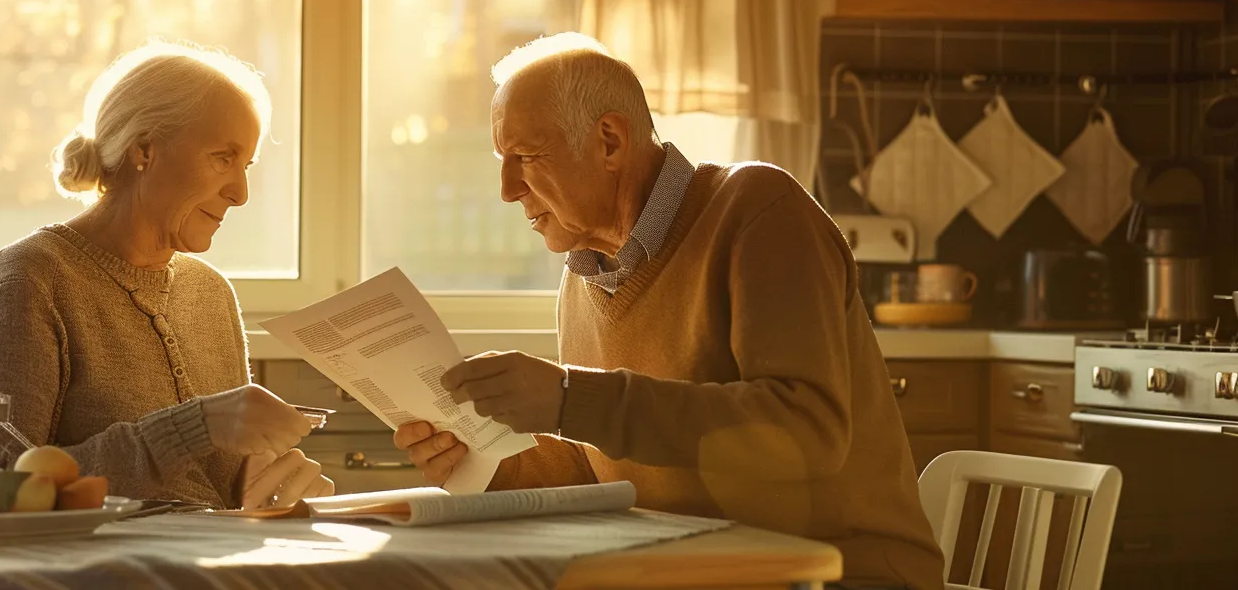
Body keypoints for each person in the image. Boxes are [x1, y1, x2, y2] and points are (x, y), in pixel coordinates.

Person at [391, 33, 943, 590]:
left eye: (527, 157)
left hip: (843, 573)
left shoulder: (760, 211)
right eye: (502, 161)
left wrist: (567, 398)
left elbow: (806, 430)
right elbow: (608, 469)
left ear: (609, 141)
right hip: (698, 573)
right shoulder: (584, 278)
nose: (508, 190)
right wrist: (487, 465)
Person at [0, 41, 333, 511]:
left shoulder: (211, 294)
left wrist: (266, 486)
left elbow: (214, 493)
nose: (240, 193)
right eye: (223, 158)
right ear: (144, 149)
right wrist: (192, 428)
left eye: (246, 165)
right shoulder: (33, 279)